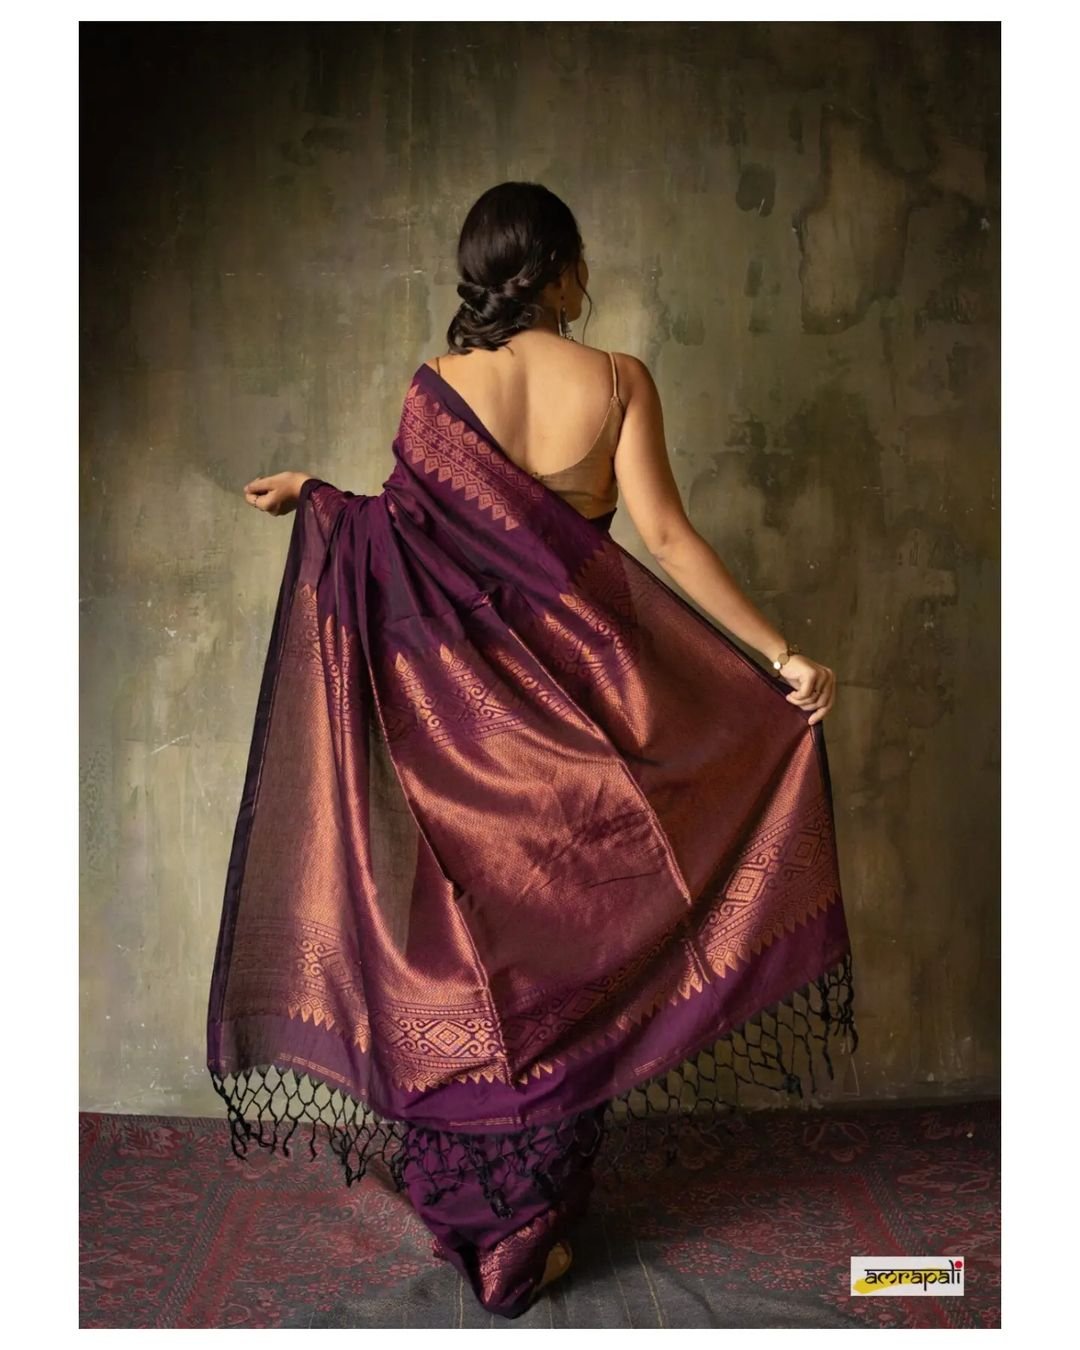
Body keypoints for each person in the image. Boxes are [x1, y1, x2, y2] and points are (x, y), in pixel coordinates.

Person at [207, 181, 857, 1320]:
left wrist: (319, 496)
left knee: (474, 971)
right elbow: (667, 538)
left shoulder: (438, 388)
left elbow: (398, 539)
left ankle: (486, 1221)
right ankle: (533, 1225)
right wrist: (778, 654)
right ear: (560, 270)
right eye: (579, 260)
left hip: (462, 745)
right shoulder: (618, 382)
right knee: (576, 966)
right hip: (589, 739)